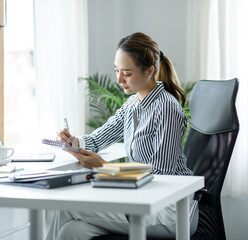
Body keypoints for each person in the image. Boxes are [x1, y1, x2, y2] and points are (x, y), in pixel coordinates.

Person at [46, 32, 197, 240]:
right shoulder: (133, 104)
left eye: (126, 73)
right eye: (117, 70)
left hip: (170, 210)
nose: (118, 79)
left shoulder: (166, 108)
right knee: (71, 232)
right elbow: (98, 138)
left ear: (149, 71)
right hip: (141, 199)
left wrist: (105, 167)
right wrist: (73, 142)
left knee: (68, 207)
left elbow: (162, 175)